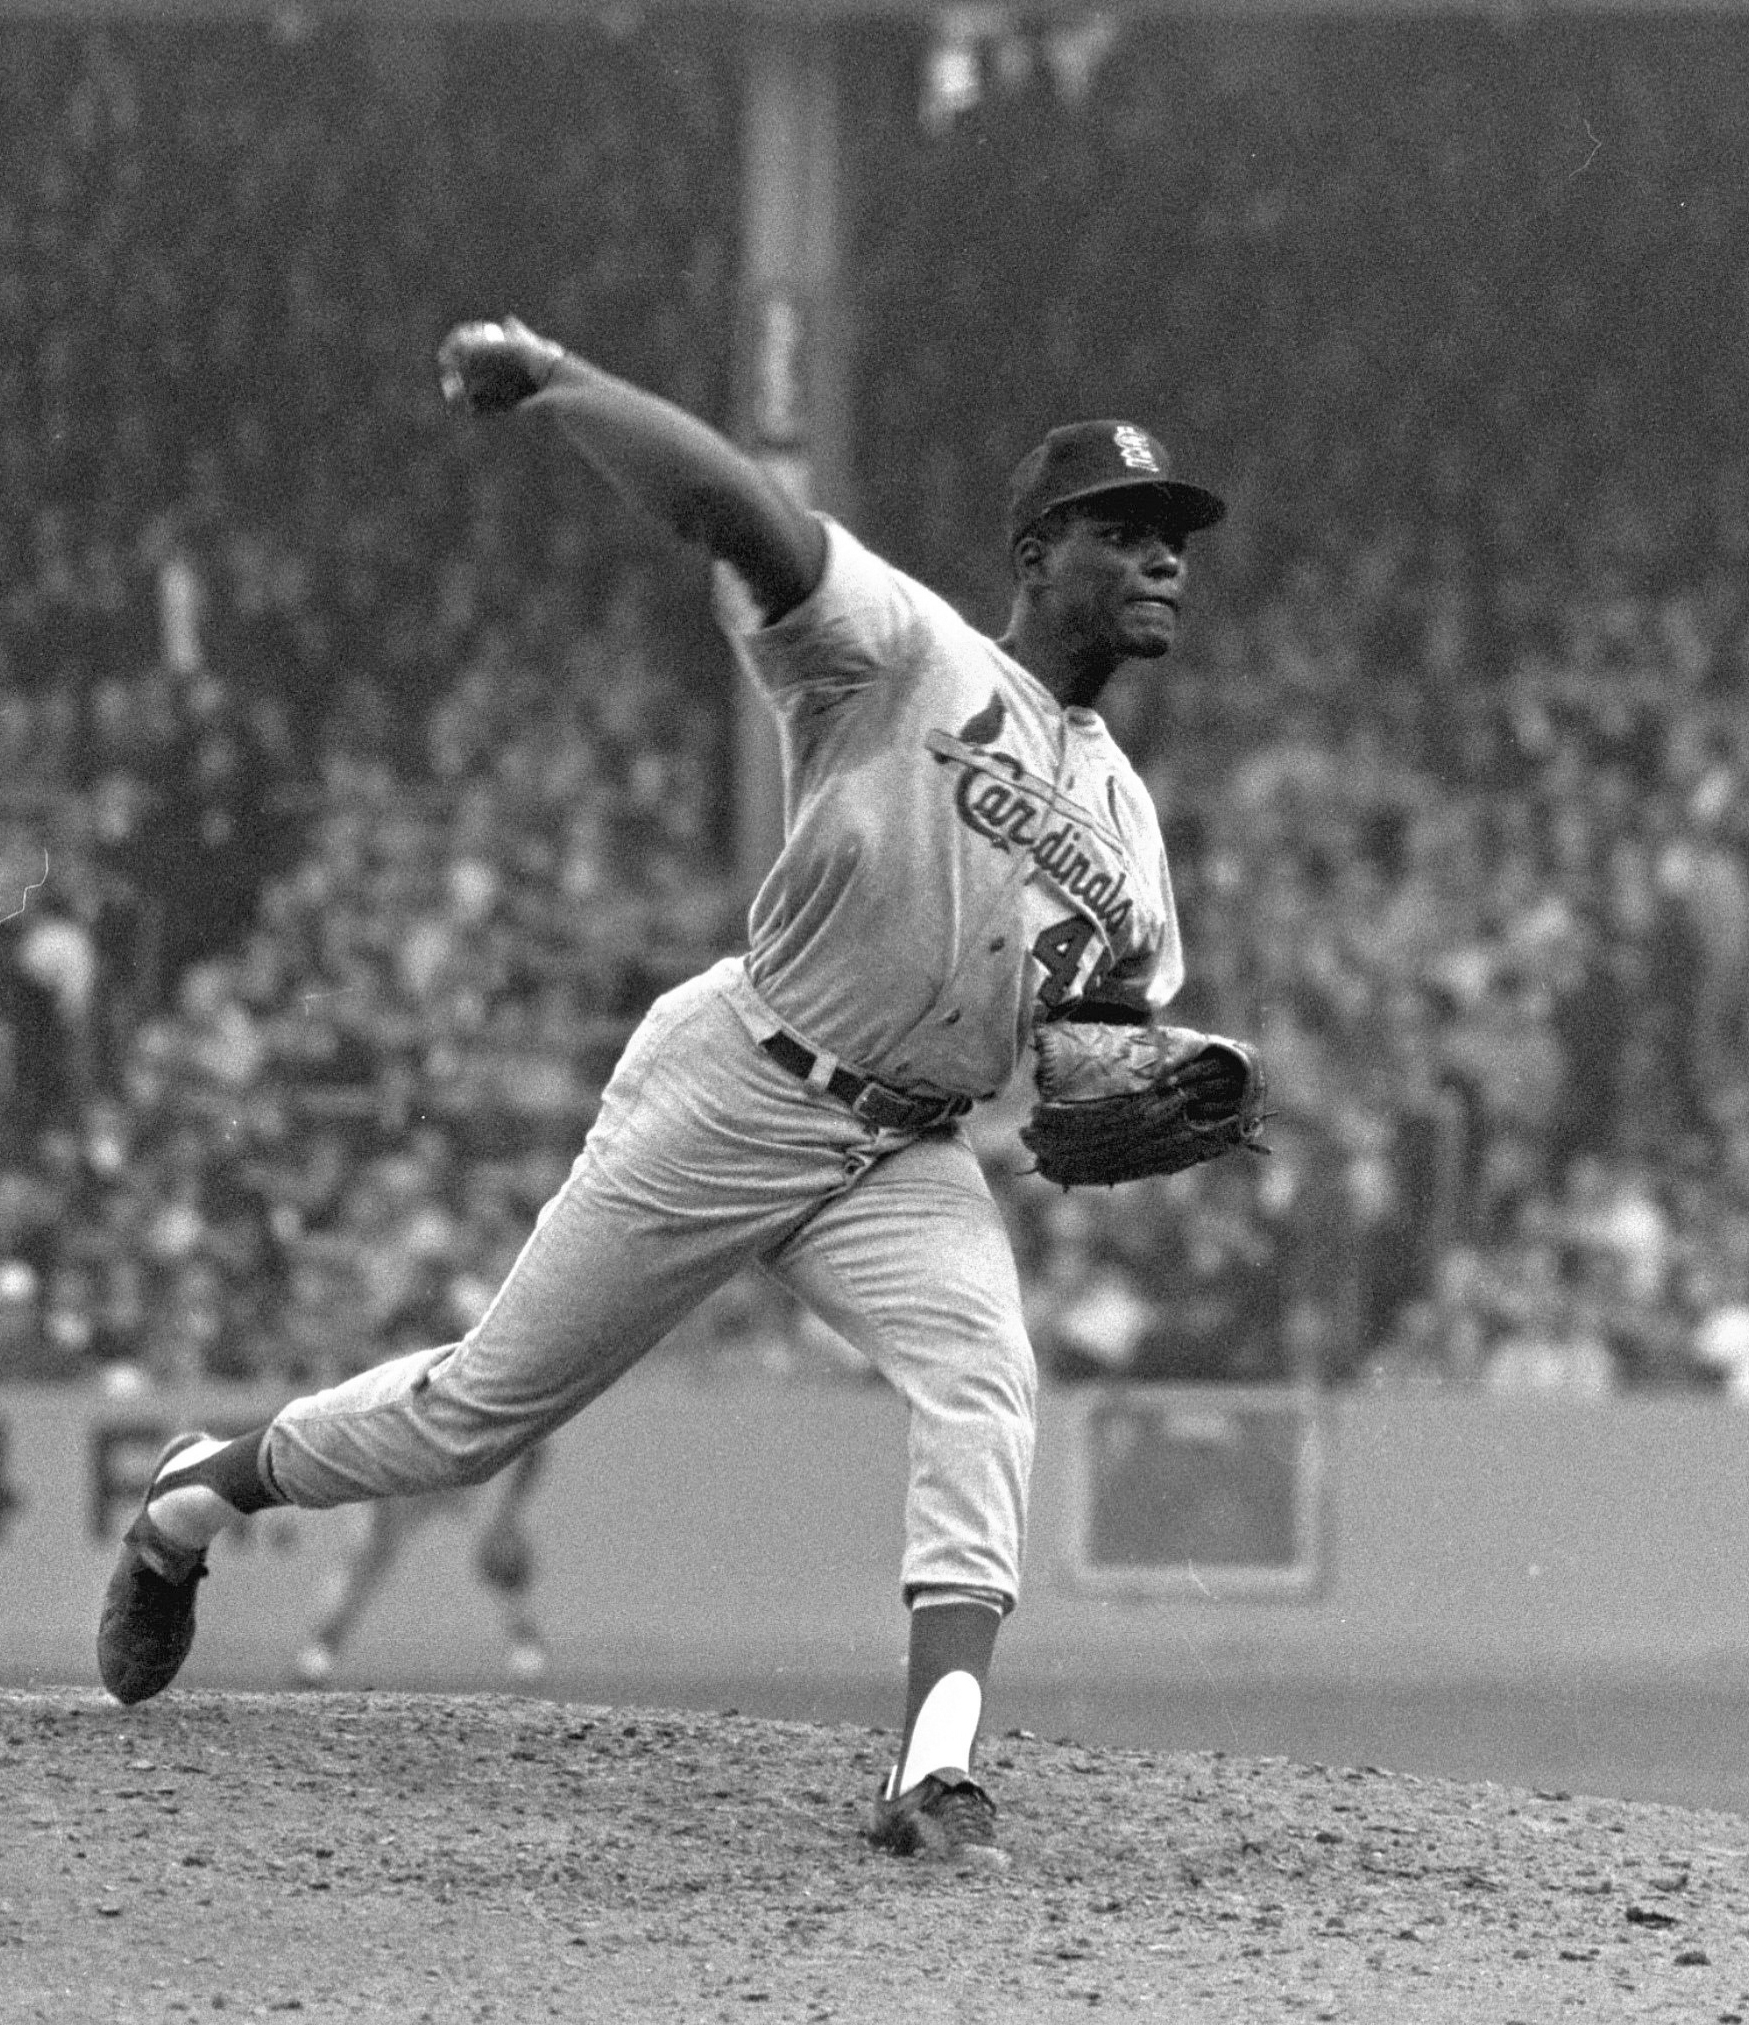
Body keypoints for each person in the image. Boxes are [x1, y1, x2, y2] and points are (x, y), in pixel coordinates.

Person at [96, 313, 1230, 1876]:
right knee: (468, 1423)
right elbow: (740, 518)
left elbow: (1100, 1041)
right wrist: (567, 385)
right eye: (1128, 532)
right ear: (1038, 555)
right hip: (740, 1085)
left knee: (984, 1378)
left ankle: (938, 1763)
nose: (1165, 559)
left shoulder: (1127, 822)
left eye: (1175, 539)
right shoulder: (903, 653)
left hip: (901, 1154)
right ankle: (196, 1500)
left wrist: (1132, 1098)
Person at [288, 1446, 553, 1690]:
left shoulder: (493, 1401)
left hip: (466, 1468)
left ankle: (526, 1643)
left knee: (499, 1548)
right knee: (366, 1556)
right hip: (402, 1471)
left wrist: (507, 1513)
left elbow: (532, 1445)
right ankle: (321, 1648)